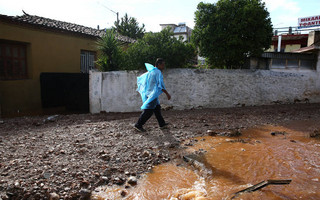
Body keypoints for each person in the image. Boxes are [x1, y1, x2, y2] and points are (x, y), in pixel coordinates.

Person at [134, 58, 171, 132]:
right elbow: (160, 85)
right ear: (159, 65)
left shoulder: (151, 71)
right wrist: (167, 94)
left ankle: (162, 124)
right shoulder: (157, 72)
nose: (164, 66)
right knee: (149, 111)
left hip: (149, 93)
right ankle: (138, 125)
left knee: (157, 108)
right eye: (163, 65)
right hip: (152, 94)